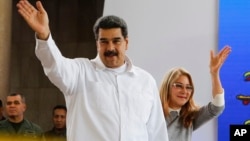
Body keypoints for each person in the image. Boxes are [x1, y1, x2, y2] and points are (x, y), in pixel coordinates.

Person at [16, 0, 169, 141]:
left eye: (116, 41)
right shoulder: (80, 72)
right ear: (97, 44)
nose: (110, 48)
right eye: (104, 41)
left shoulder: (145, 81)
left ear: (126, 43)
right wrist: (44, 35)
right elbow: (55, 65)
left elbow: (157, 132)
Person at [159, 46, 231, 141]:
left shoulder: (188, 117)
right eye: (179, 85)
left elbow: (217, 107)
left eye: (189, 87)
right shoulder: (154, 111)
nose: (184, 91)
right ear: (167, 86)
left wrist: (214, 73)